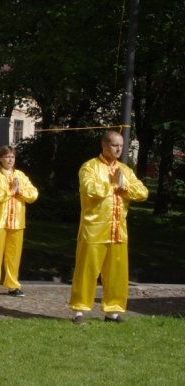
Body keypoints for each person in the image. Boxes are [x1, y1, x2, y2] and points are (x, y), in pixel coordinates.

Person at [69, 130, 148, 324]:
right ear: (104, 145)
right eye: (114, 145)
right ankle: (79, 310)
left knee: (117, 272)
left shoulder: (125, 170)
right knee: (87, 270)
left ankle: (113, 311)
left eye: (121, 145)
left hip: (118, 229)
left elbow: (143, 192)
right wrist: (112, 185)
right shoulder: (90, 167)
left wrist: (125, 188)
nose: (119, 148)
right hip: (94, 228)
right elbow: (89, 189)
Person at [0, 145, 38, 297]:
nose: (10, 159)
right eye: (7, 156)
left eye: (12, 156)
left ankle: (13, 285)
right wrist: (10, 191)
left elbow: (33, 194)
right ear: (0, 158)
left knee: (14, 255)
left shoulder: (20, 175)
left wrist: (20, 191)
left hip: (17, 221)